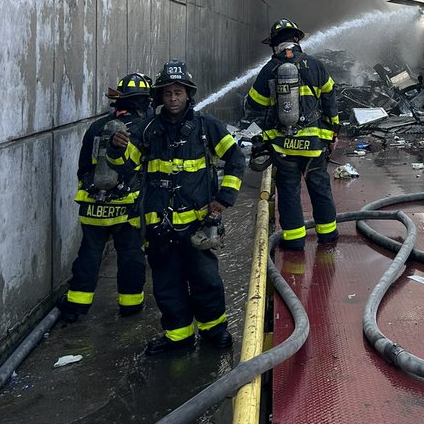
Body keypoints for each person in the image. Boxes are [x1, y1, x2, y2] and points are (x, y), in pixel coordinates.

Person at [128, 60, 245, 356]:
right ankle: (178, 338)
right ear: (160, 97)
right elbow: (125, 166)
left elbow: (236, 159)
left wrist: (224, 198)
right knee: (167, 286)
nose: (173, 99)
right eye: (167, 93)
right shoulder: (147, 130)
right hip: (159, 226)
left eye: (178, 92)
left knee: (206, 282)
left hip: (196, 225)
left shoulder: (207, 127)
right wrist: (118, 149)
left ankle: (214, 332)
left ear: (188, 94)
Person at [60, 72, 153, 322]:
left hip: (92, 205)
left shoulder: (96, 127)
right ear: (143, 101)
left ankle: (77, 306)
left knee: (88, 256)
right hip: (126, 206)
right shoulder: (143, 128)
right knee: (131, 256)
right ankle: (130, 305)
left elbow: (82, 167)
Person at [244, 18, 340, 252]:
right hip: (315, 146)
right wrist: (332, 133)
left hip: (283, 148)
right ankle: (328, 236)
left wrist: (267, 135)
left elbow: (255, 105)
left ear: (274, 44)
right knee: (320, 188)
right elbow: (330, 101)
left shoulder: (269, 69)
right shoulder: (316, 65)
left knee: (288, 191)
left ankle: (295, 240)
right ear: (296, 39)